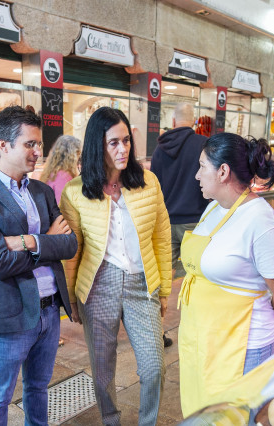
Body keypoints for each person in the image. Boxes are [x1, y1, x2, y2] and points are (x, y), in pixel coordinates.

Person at [0, 106, 78, 425]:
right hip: (9, 313)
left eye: (39, 144)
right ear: (3, 144)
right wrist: (47, 239)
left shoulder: (40, 190)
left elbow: (70, 243)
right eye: (30, 144)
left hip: (50, 310)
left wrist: (28, 241)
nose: (39, 152)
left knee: (39, 388)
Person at [60, 107, 171, 426]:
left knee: (154, 366)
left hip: (142, 284)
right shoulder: (76, 191)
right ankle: (111, 421)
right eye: (113, 143)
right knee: (103, 369)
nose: (123, 149)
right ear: (98, 145)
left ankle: (147, 422)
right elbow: (72, 252)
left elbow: (162, 237)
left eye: (126, 141)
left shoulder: (147, 181)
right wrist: (72, 300)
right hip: (98, 287)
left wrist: (164, 287)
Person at [177, 133, 274, 418]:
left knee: (237, 418)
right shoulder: (212, 209)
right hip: (204, 340)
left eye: (202, 166)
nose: (196, 175)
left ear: (223, 171)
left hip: (242, 347)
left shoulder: (263, 223)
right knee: (206, 415)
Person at [150, 102, 209, 348]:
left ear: (173, 122)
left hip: (164, 221)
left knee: (161, 280)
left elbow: (153, 186)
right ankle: (191, 331)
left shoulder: (160, 148)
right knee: (193, 281)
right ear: (194, 122)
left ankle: (157, 332)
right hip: (194, 223)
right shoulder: (203, 145)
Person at [39, 134, 82, 205]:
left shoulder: (51, 173)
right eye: (78, 154)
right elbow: (64, 208)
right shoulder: (64, 177)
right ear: (73, 155)